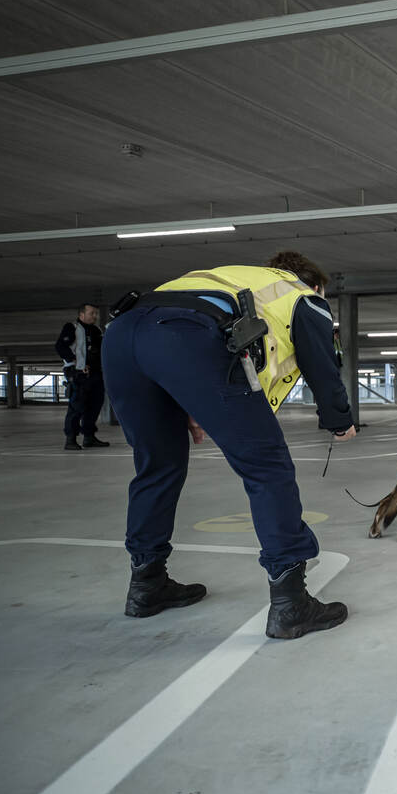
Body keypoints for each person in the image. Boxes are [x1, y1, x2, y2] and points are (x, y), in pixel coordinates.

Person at [102, 251, 357, 639]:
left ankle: (146, 584)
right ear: (317, 284)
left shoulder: (233, 278)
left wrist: (193, 399)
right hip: (185, 336)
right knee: (267, 467)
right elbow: (322, 365)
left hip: (121, 336)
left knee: (158, 465)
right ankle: (291, 604)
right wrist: (339, 420)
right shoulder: (303, 296)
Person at [55, 302, 110, 450]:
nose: (95, 316)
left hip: (96, 373)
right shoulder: (72, 327)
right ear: (82, 314)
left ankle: (89, 437)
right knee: (77, 406)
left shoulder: (96, 330)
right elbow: (60, 346)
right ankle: (71, 439)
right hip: (78, 373)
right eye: (92, 313)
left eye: (96, 313)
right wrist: (76, 362)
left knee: (95, 405)